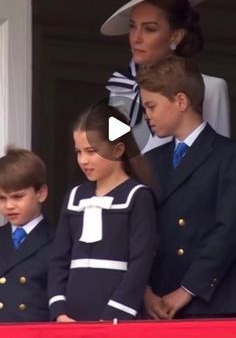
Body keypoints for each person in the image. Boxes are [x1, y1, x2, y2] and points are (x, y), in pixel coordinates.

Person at [136, 55, 236, 319]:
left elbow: (228, 231)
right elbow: (137, 232)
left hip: (207, 301)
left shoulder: (227, 156)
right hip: (156, 302)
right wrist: (145, 291)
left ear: (181, 101)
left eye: (152, 106)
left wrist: (186, 290)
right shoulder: (150, 161)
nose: (147, 115)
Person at [48, 103, 156, 322]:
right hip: (71, 317)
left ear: (118, 149)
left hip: (115, 316)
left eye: (91, 151)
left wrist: (114, 315)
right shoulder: (75, 196)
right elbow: (59, 258)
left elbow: (140, 264)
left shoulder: (137, 196)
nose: (83, 160)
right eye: (79, 152)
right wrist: (59, 311)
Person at [101, 0, 230, 153]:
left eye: (149, 29)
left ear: (175, 36)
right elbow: (116, 155)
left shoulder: (211, 88)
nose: (136, 38)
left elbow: (219, 158)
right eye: (133, 26)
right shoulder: (121, 85)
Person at [0, 147, 55, 322]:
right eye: (2, 198)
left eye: (17, 197)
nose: (9, 206)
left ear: (41, 193)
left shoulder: (58, 240)